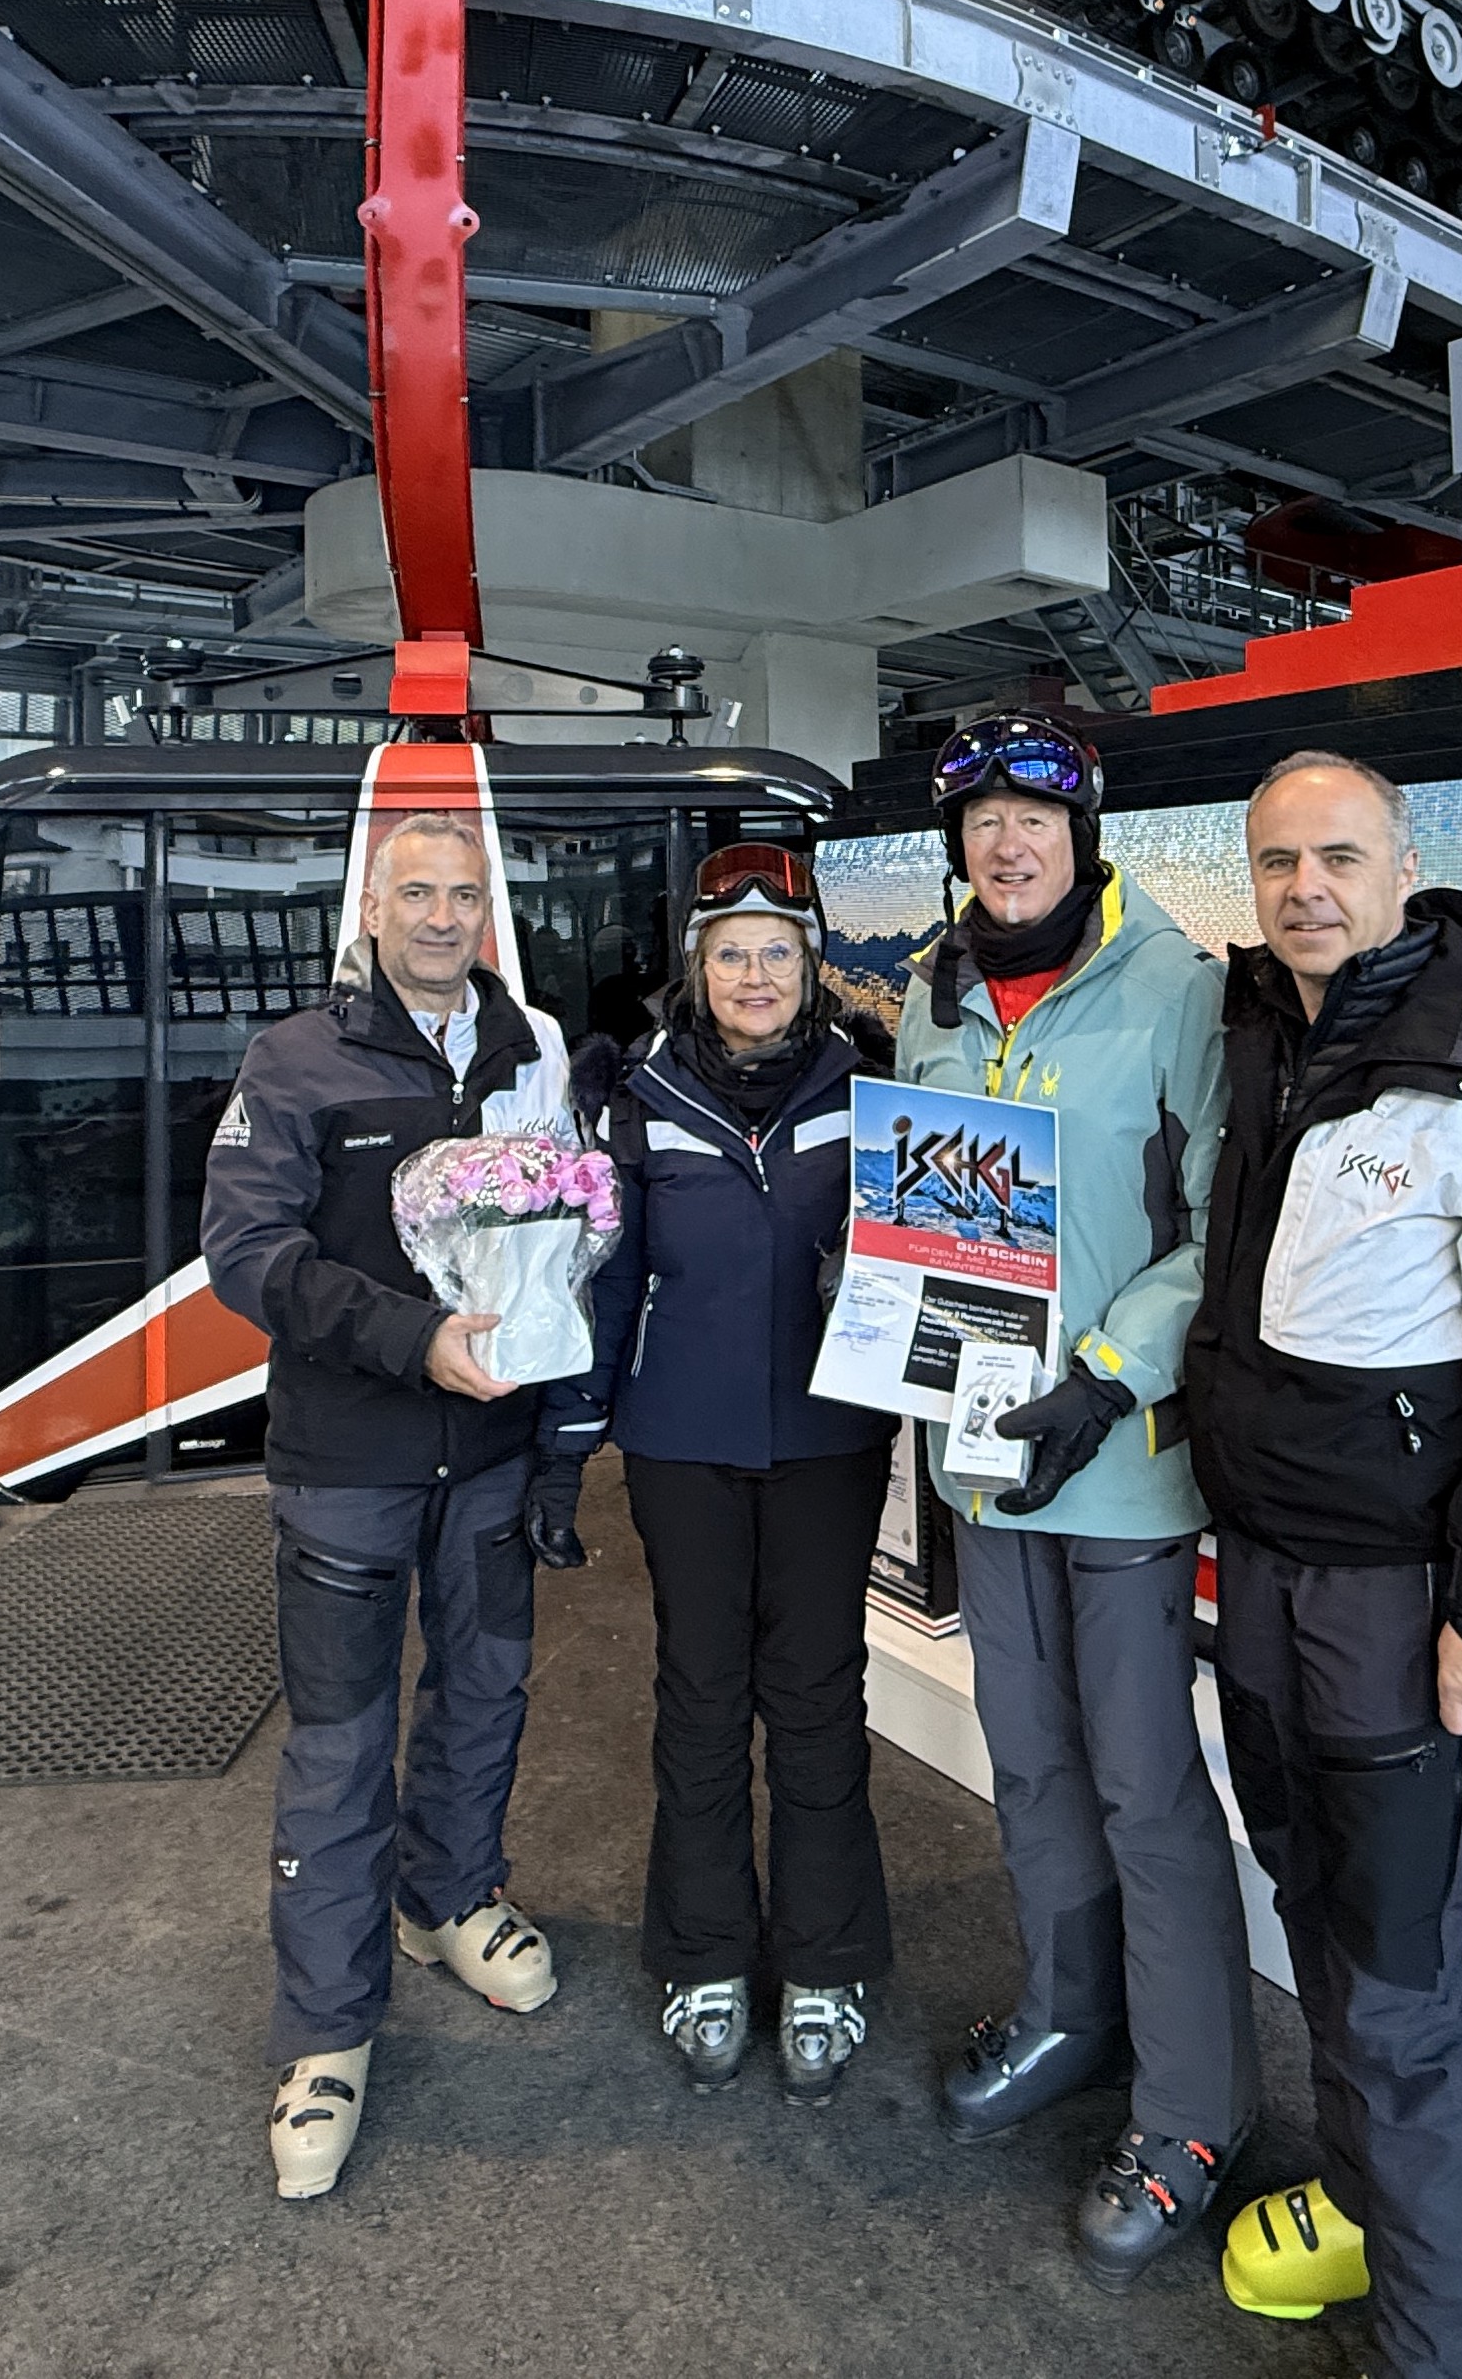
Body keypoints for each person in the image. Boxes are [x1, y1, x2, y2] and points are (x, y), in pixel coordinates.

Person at [1185, 751, 1462, 2379]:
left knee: (1397, 1976)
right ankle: (1373, 2210)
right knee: (1311, 1909)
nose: (1306, 887)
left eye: (1338, 856)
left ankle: (1457, 2342)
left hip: (1395, 1601)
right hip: (1263, 1571)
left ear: (1402, 862)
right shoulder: (1263, 1032)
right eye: (1278, 861)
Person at [896, 710, 1257, 2294]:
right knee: (1031, 1763)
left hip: (1116, 1462)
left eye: (1033, 820)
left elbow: (1219, 1225)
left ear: (1083, 833)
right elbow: (929, 1206)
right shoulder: (932, 991)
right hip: (985, 1458)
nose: (1007, 844)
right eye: (981, 823)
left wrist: (1105, 1375)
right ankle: (1068, 2009)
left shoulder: (1176, 988)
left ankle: (1193, 2109)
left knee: (1143, 1787)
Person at [201, 809, 581, 2203]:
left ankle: (450, 1896)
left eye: (463, 895)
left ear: (489, 911)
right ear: (371, 905)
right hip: (347, 1460)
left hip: (489, 1454)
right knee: (340, 1745)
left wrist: (557, 1406)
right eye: (416, 893)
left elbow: (563, 1240)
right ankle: (325, 2028)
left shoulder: (530, 1052)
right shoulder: (293, 1059)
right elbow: (246, 1253)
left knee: (484, 1693)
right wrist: (408, 1338)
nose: (440, 918)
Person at [540, 844, 899, 2103]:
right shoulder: (639, 1096)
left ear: (812, 965)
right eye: (731, 953)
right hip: (681, 1442)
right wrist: (565, 1445)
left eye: (777, 953)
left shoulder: (871, 1087)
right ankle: (703, 1955)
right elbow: (604, 1282)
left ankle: (823, 1959)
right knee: (699, 1696)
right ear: (697, 968)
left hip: (828, 1440)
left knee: (816, 1697)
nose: (755, 975)